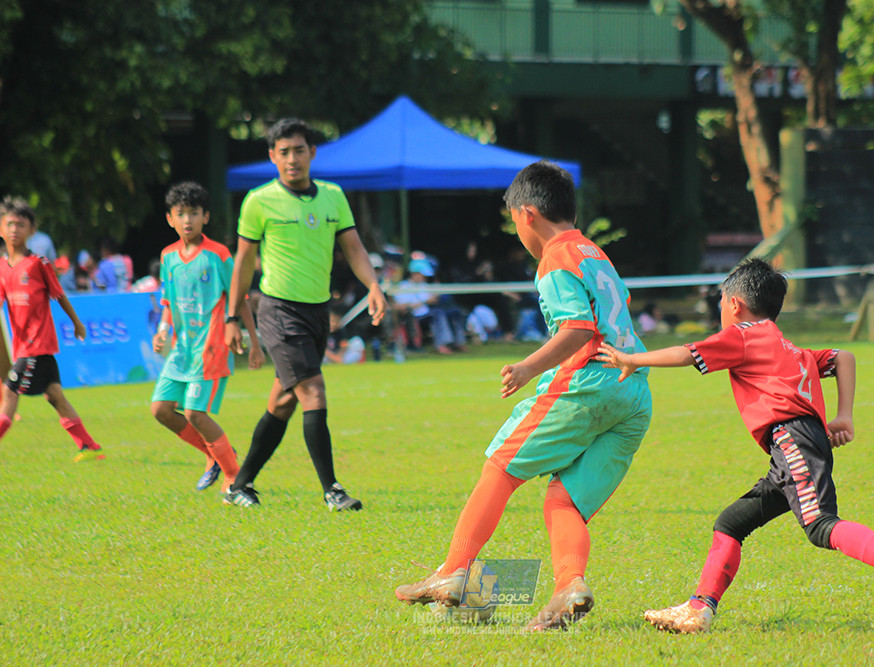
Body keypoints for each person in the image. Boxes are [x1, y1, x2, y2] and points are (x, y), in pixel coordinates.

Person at [598, 258, 874, 633]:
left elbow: (687, 353)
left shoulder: (743, 334)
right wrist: (844, 415)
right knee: (732, 522)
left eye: (720, 305)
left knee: (820, 525)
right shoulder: (787, 346)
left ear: (733, 305)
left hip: (792, 439)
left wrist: (632, 358)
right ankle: (700, 609)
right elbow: (845, 358)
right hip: (795, 446)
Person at [394, 161, 652, 631]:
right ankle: (568, 587)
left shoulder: (555, 256)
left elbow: (579, 327)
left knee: (500, 465)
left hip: (587, 383)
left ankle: (453, 573)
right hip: (633, 393)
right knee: (564, 501)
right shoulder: (594, 252)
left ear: (527, 214)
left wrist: (529, 366)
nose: (517, 231)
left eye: (514, 221)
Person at [224, 117, 386, 511]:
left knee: (283, 401)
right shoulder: (259, 201)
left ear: (312, 153)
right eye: (283, 153)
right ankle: (332, 490)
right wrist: (232, 317)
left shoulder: (333, 196)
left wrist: (374, 286)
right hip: (278, 310)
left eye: (299, 150)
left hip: (317, 312)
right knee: (313, 391)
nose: (292, 159)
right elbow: (244, 261)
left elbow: (353, 247)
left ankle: (238, 486)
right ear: (272, 157)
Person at [150, 182, 263, 494]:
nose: (188, 220)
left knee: (194, 413)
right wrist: (162, 331)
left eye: (194, 213)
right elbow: (168, 302)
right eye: (181, 214)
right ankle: (215, 457)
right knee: (160, 409)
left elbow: (240, 297)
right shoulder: (168, 257)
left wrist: (253, 340)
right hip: (182, 349)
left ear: (206, 217)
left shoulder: (218, 255)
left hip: (212, 346)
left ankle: (234, 477)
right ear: (170, 219)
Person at [0, 196, 105, 461]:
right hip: (24, 345)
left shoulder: (38, 264)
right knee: (54, 395)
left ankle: (88, 446)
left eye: (21, 225)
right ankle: (89, 447)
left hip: (37, 344)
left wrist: (77, 323)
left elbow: (59, 295)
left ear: (32, 231)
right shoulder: (2, 267)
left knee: (9, 393)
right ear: (1, 228)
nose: (15, 229)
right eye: (10, 224)